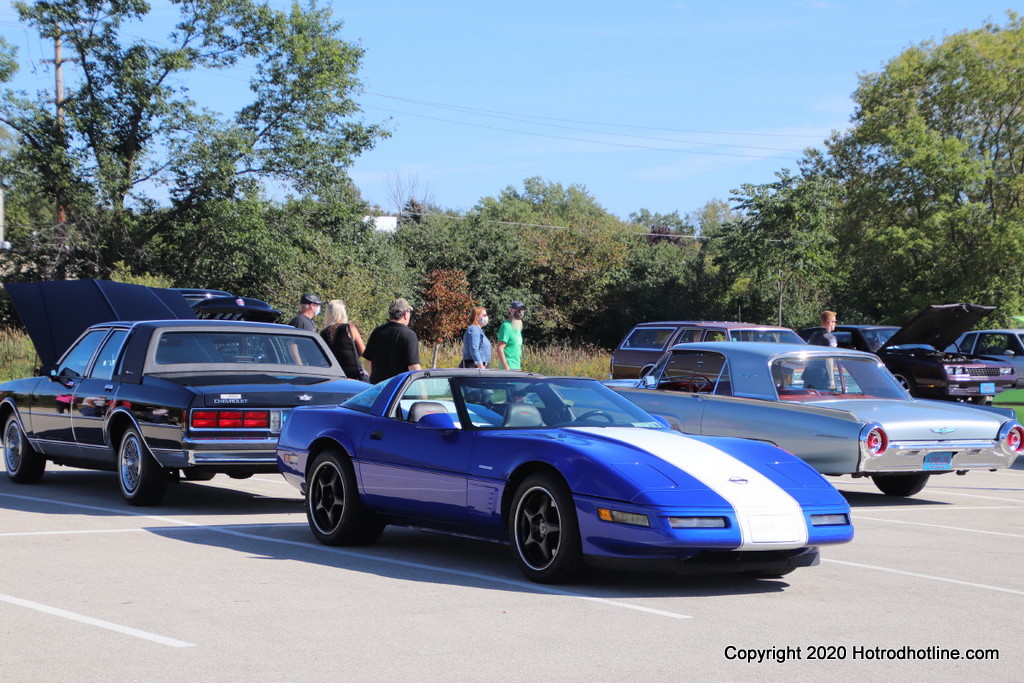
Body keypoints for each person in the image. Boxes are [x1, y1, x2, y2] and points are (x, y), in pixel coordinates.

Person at [362, 297, 422, 383]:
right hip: (399, 390)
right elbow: (413, 368)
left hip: (378, 388)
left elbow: (368, 360)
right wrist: (422, 389)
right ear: (405, 314)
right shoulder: (409, 335)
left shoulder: (377, 332)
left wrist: (372, 381)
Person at [319, 299, 369, 381]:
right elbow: (364, 352)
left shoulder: (323, 333)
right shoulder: (349, 328)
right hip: (354, 375)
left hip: (335, 376)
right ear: (342, 312)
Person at [495, 300, 526, 371]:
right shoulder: (506, 326)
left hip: (516, 366)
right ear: (511, 310)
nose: (520, 312)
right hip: (509, 368)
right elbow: (500, 349)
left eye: (522, 309)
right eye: (518, 309)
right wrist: (506, 368)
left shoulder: (517, 326)